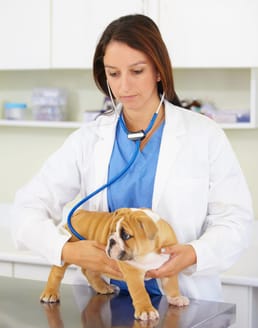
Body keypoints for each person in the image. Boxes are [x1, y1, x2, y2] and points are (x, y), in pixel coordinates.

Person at [12, 13, 252, 308]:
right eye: (113, 74)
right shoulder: (88, 140)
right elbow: (25, 208)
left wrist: (193, 253)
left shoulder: (204, 136)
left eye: (137, 71)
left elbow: (235, 221)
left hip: (181, 301)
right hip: (102, 303)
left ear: (159, 71)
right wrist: (66, 250)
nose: (124, 86)